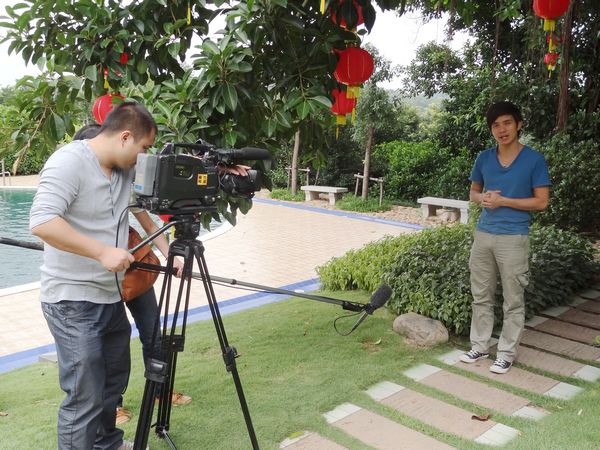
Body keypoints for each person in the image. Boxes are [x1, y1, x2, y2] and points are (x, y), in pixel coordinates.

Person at [30, 102, 157, 449]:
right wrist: (102, 252)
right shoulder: (68, 162)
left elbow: (161, 189)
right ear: (125, 137)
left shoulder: (124, 171)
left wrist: (221, 168)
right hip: (71, 302)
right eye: (144, 147)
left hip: (109, 297)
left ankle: (107, 445)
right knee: (84, 395)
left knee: (112, 385)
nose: (144, 156)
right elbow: (42, 221)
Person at [71, 124, 192, 427]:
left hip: (135, 270)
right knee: (111, 345)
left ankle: (160, 392)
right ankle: (114, 405)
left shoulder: (123, 182)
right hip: (99, 279)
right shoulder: (74, 185)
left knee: (153, 334)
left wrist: (172, 256)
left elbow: (149, 226)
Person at [459, 101, 551, 374]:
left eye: (507, 123)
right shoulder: (484, 158)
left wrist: (504, 201)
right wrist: (483, 199)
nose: (502, 129)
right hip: (483, 234)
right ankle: (479, 346)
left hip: (513, 238)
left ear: (518, 124)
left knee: (513, 300)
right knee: (481, 296)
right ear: (491, 130)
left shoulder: (534, 160)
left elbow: (541, 202)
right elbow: (473, 193)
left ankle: (506, 353)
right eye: (496, 125)